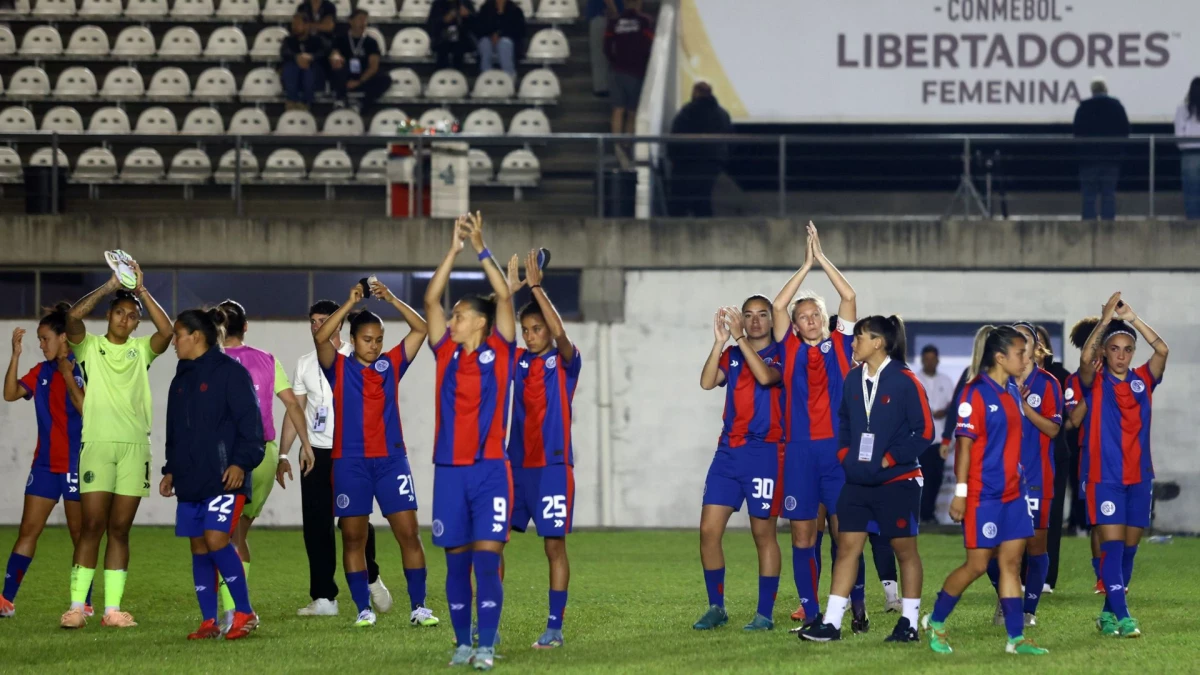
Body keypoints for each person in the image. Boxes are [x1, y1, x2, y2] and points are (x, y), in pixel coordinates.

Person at [314, 280, 438, 629]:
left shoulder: (391, 366)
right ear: (353, 340)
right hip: (350, 463)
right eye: (367, 340)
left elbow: (422, 328)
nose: (374, 346)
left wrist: (393, 299)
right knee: (354, 536)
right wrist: (349, 300)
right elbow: (321, 337)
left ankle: (419, 607)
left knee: (408, 533)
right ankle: (362, 609)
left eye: (379, 339)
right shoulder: (337, 367)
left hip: (390, 461)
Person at [800, 315, 931, 643]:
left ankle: (909, 624)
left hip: (897, 481)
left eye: (859, 337)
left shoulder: (906, 380)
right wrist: (844, 454)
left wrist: (890, 458)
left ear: (878, 343)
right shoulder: (851, 378)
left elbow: (924, 431)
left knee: (904, 551)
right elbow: (843, 420)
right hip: (857, 482)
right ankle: (831, 624)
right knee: (846, 549)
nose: (853, 342)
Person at [423, 212, 517, 670]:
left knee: (486, 561)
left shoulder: (500, 350)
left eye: (460, 316)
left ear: (480, 323)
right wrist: (452, 251)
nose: (452, 320)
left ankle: (487, 644)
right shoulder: (443, 353)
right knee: (456, 564)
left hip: (489, 472)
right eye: (453, 316)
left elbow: (502, 294)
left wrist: (481, 247)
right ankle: (463, 643)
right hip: (449, 472)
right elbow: (430, 297)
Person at [60, 262, 174, 630]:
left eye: (131, 317)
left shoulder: (142, 351)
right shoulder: (89, 347)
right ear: (109, 315)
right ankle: (77, 607)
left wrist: (141, 292)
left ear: (136, 324)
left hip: (134, 448)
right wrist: (111, 285)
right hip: (96, 443)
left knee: (120, 529)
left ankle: (112, 610)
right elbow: (73, 318)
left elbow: (168, 331)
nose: (125, 320)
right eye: (120, 313)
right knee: (92, 525)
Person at [925, 326, 1048, 656]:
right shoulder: (974, 393)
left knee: (1011, 564)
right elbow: (964, 448)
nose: (1026, 358)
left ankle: (1016, 639)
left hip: (1014, 494)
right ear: (1000, 357)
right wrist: (961, 493)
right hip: (984, 495)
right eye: (1021, 353)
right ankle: (935, 622)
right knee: (977, 565)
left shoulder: (1011, 391)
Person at [770, 222, 857, 628]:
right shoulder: (787, 348)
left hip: (837, 450)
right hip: (800, 451)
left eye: (813, 314)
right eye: (801, 316)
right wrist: (804, 266)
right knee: (803, 536)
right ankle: (811, 610)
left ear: (825, 318)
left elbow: (849, 295)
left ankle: (856, 607)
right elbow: (776, 306)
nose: (806, 319)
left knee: (845, 534)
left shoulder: (842, 342)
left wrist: (822, 259)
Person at [280, 300, 391, 618]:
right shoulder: (304, 363)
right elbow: (295, 410)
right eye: (312, 321)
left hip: (351, 453)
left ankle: (370, 575)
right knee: (316, 526)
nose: (317, 326)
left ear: (339, 323)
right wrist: (286, 452)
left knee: (354, 522)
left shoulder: (355, 358)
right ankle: (325, 597)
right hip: (315, 453)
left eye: (323, 320)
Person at [160, 307, 264, 641]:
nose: (174, 341)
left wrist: (240, 463)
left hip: (225, 478)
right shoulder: (181, 377)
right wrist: (171, 469)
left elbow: (253, 427)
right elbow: (174, 429)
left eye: (178, 334)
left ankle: (245, 613)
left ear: (196, 336)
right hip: (191, 478)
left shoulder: (231, 373)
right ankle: (209, 622)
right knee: (199, 547)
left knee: (217, 539)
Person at [211, 300, 314, 632]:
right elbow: (292, 405)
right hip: (265, 455)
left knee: (223, 535)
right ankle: (238, 609)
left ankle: (235, 612)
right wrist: (304, 445)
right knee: (238, 533)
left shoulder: (212, 362)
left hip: (227, 455)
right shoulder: (267, 360)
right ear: (246, 328)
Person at [1077, 293, 1168, 638]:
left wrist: (1132, 318)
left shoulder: (1144, 380)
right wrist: (1105, 322)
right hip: (1106, 478)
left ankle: (1107, 615)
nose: (1120, 355)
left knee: (1129, 551)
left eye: (1126, 349)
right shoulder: (1095, 382)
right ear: (1105, 352)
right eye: (1114, 349)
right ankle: (1125, 616)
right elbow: (1085, 358)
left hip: (1140, 479)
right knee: (1112, 548)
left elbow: (1162, 351)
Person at [504, 249, 582, 648]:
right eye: (526, 329)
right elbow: (494, 334)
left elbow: (563, 336)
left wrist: (536, 287)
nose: (531, 335)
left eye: (537, 328)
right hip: (514, 468)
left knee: (554, 546)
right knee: (491, 541)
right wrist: (509, 291)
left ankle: (554, 628)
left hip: (552, 469)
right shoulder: (516, 361)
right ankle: (489, 622)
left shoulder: (566, 362)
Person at [691, 298, 783, 632]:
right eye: (748, 315)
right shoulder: (730, 356)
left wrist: (740, 339)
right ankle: (716, 606)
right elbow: (705, 382)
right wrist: (719, 342)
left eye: (762, 315)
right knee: (708, 530)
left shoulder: (783, 353)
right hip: (728, 452)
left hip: (765, 453)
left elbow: (765, 378)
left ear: (772, 319)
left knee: (763, 533)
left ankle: (765, 614)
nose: (755, 321)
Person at [1, 305, 87, 618]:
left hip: (77, 466)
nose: (41, 344)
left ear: (64, 337)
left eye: (45, 338)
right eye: (39, 339)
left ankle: (84, 602)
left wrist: (68, 373)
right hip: (45, 466)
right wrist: (15, 355)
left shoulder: (81, 368)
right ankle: (6, 600)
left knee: (80, 536)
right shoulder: (39, 372)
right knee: (28, 531)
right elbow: (10, 394)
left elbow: (87, 410)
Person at [981, 323, 1061, 627]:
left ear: (1035, 349)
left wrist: (1024, 406)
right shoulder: (993, 382)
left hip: (1036, 479)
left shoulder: (1048, 383)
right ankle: (1006, 598)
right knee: (988, 549)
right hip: (998, 479)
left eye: (1025, 341)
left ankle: (1028, 609)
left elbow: (1054, 429)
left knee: (1035, 546)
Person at [1060, 317, 1103, 592]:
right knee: (1099, 520)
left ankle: (1116, 573)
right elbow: (1071, 420)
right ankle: (1102, 576)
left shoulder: (1125, 376)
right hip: (1090, 453)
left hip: (1123, 456)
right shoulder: (1075, 381)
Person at [1034, 324, 1072, 592]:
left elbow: (1067, 420)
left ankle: (1047, 577)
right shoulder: (1008, 377)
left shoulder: (1057, 376)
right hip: (1020, 459)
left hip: (1053, 455)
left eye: (1037, 343)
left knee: (1050, 519)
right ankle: (1018, 575)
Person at [667, 81, 733, 218]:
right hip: (713, 165)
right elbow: (730, 140)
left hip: (686, 165)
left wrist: (674, 159)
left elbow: (675, 138)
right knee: (703, 204)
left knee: (679, 206)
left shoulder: (686, 112)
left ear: (695, 93)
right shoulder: (722, 114)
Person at [1072, 77, 1130, 221]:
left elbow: (1076, 132)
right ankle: (1108, 228)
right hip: (1111, 158)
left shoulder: (1083, 107)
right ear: (1105, 89)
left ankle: (1087, 228)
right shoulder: (1116, 106)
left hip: (1088, 160)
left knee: (1088, 196)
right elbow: (1125, 130)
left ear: (1092, 91)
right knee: (1108, 194)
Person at [914, 345, 954, 524]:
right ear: (922, 360)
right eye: (926, 359)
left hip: (939, 440)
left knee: (936, 478)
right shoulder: (915, 379)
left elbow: (953, 406)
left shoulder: (945, 381)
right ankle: (918, 514)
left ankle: (929, 515)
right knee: (919, 479)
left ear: (938, 360)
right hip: (919, 439)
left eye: (933, 359)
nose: (930, 362)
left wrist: (944, 411)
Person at [603, 0, 653, 137]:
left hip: (617, 70)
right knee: (632, 112)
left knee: (617, 110)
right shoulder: (644, 21)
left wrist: (614, 61)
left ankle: (617, 145)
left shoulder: (614, 22)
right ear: (639, 3)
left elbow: (606, 47)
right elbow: (648, 46)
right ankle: (627, 143)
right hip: (636, 72)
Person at [329, 10, 389, 113]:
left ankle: (361, 105)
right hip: (345, 74)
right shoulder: (340, 39)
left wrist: (359, 81)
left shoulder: (371, 42)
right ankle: (340, 99)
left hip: (363, 76)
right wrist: (336, 58)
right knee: (336, 68)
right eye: (360, 19)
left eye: (365, 20)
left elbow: (373, 66)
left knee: (384, 79)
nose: (363, 23)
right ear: (351, 21)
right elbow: (334, 54)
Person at [281, 12, 330, 111]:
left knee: (309, 69)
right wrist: (297, 57)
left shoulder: (318, 40)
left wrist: (310, 57)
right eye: (293, 24)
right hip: (295, 76)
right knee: (290, 67)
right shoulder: (289, 40)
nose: (294, 27)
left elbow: (324, 53)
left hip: (314, 77)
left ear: (307, 25)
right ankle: (292, 100)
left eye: (297, 24)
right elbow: (284, 52)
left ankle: (306, 102)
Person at [474, 0, 525, 81]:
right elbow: (479, 28)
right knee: (484, 43)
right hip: (488, 39)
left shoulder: (515, 10)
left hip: (508, 41)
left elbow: (519, 30)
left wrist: (500, 35)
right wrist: (491, 35)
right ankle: (485, 77)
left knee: (504, 43)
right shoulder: (485, 8)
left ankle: (509, 77)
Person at [1175, 77, 1200, 220]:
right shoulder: (1182, 109)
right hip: (1189, 154)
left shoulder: (1182, 109)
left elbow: (1179, 137)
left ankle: (1193, 224)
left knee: (1191, 193)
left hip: (1189, 156)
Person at [428, 0, 476, 70]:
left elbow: (476, 25)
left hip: (462, 38)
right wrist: (444, 20)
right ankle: (441, 75)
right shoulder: (438, 3)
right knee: (442, 50)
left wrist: (468, 15)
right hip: (442, 38)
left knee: (459, 49)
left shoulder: (465, 2)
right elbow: (431, 25)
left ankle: (458, 75)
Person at [586, 0, 621, 96]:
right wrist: (614, 11)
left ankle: (603, 86)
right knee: (601, 53)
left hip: (602, 15)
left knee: (600, 54)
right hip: (603, 15)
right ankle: (603, 87)